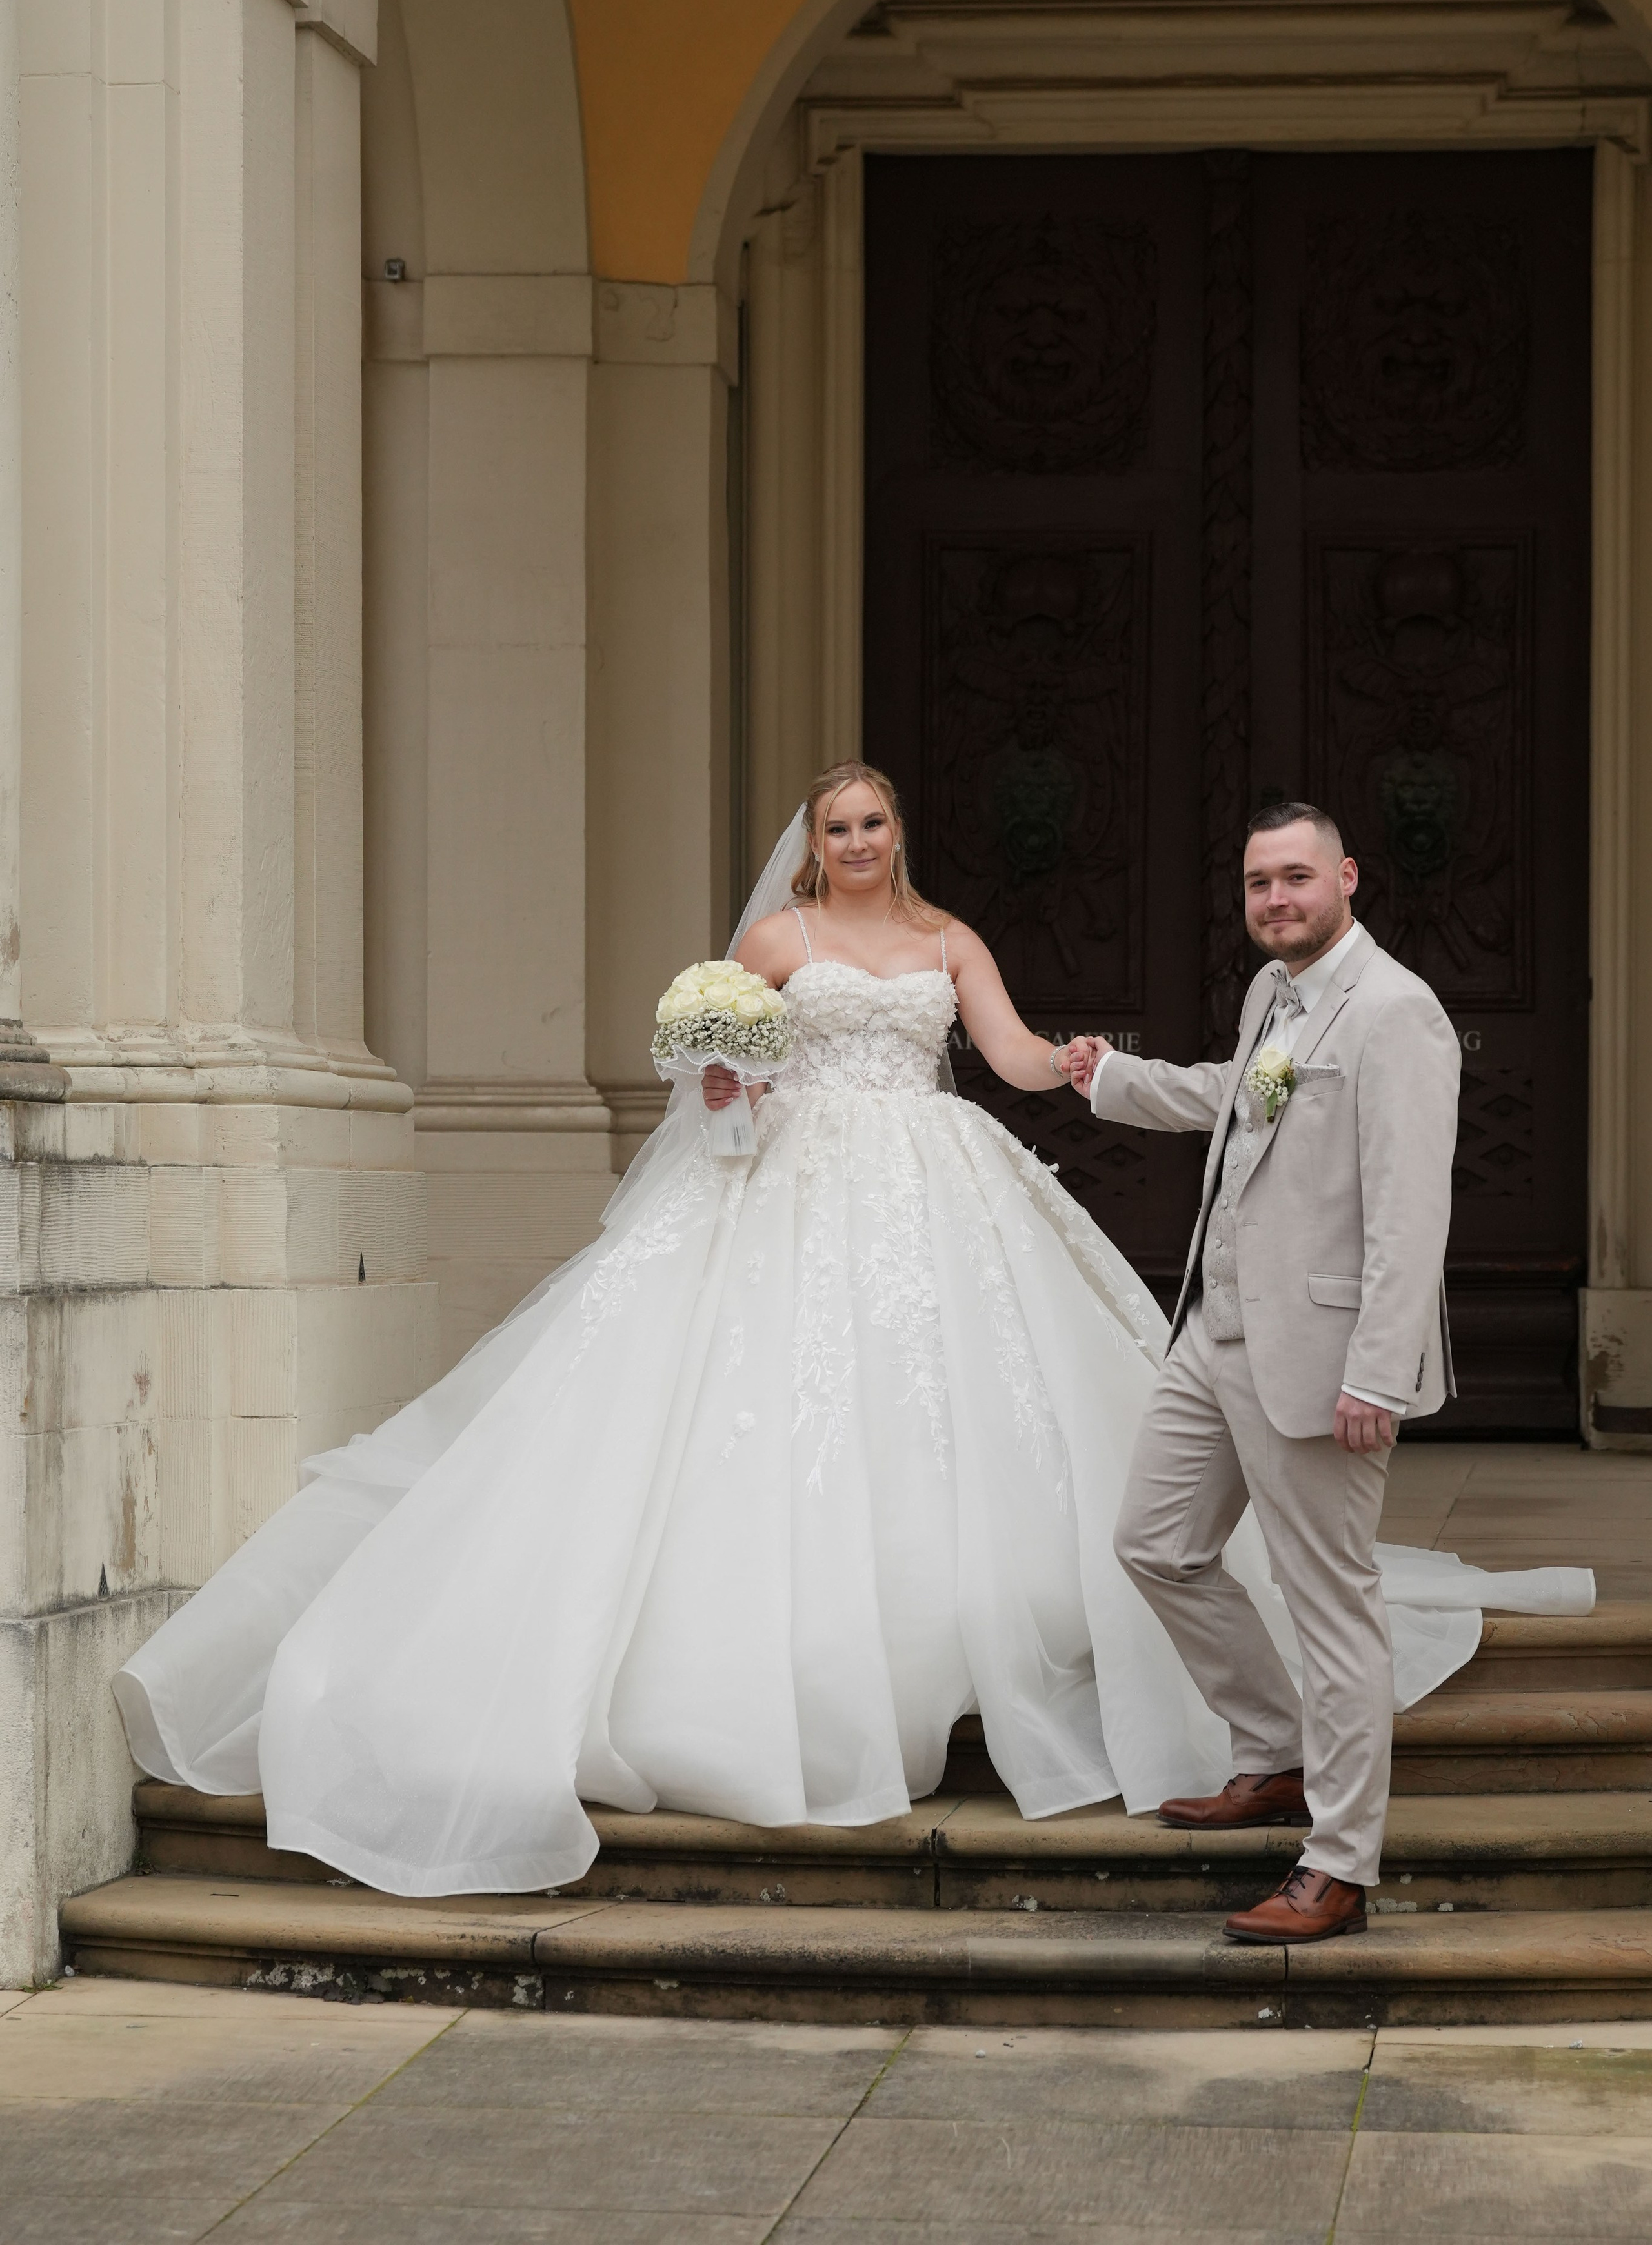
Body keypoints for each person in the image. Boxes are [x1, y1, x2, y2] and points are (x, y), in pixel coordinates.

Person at [114, 768, 1589, 1902]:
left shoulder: (992, 945)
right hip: (794, 1190)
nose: (858, 841)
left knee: (1115, 1497)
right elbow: (718, 1058)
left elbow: (1014, 1058)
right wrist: (721, 1074)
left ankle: (1331, 1847)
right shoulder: (786, 937)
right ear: (812, 841)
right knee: (1118, 1528)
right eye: (838, 824)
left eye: (875, 821)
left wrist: (1075, 1067)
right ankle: (1270, 1753)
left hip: (981, 1204)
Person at [1069, 797, 1467, 1944]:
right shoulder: (1270, 995)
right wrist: (1111, 1078)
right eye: (1258, 882)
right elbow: (1233, 1098)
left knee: (1332, 1605)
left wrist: (1378, 1373)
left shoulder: (1396, 1010)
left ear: (1348, 877)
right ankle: (1276, 1750)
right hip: (1217, 1330)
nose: (1276, 898)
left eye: (1296, 876)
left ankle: (1338, 1863)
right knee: (1156, 1541)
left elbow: (1411, 1211)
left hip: (1324, 1353)